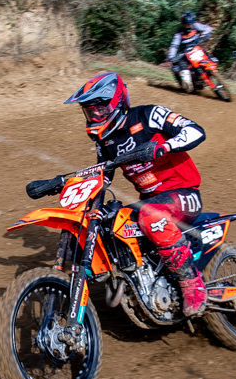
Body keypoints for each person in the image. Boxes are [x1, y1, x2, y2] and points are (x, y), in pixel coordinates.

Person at [65, 71, 210, 317]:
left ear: (115, 102)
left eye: (99, 109)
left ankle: (193, 285)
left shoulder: (148, 115)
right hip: (151, 203)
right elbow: (103, 177)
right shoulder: (105, 142)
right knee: (107, 223)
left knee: (151, 216)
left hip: (183, 194)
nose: (94, 116)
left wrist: (165, 146)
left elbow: (195, 131)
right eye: (89, 111)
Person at [163, 11, 214, 88]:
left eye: (189, 24)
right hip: (185, 52)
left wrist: (204, 35)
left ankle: (210, 75)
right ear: (182, 23)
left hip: (196, 49)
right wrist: (171, 56)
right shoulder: (179, 34)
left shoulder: (196, 26)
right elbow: (174, 45)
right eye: (186, 24)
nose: (188, 26)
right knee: (179, 66)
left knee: (212, 59)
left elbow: (208, 28)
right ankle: (186, 83)